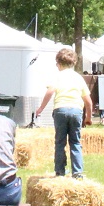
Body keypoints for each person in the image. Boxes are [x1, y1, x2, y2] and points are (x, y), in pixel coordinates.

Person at [34, 47, 93, 178]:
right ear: (73, 63)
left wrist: (41, 108)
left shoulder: (57, 76)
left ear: (59, 63)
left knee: (60, 142)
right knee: (75, 142)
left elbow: (50, 91)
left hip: (60, 110)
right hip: (76, 111)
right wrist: (88, 117)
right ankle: (77, 172)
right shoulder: (78, 78)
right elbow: (88, 102)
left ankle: (60, 171)